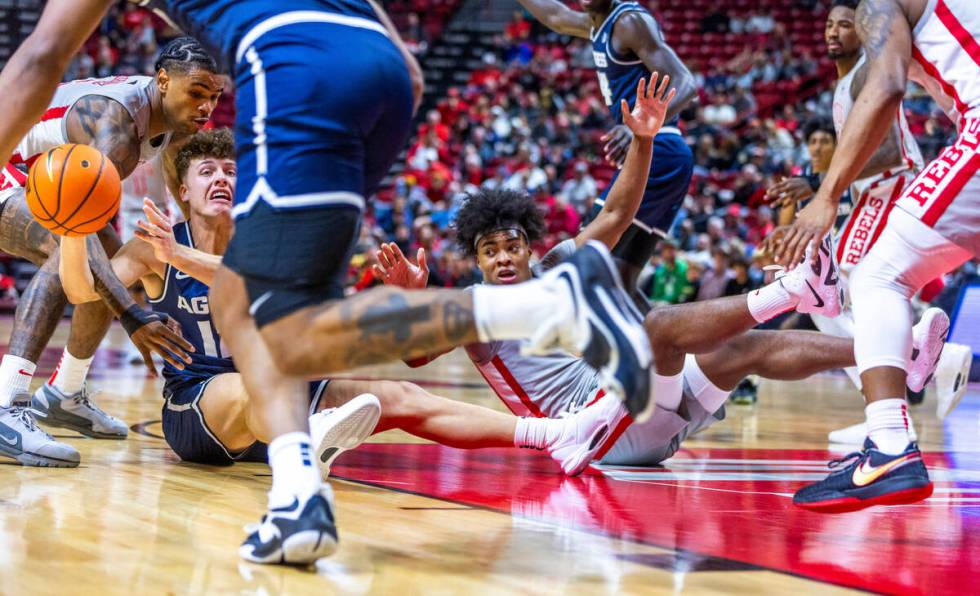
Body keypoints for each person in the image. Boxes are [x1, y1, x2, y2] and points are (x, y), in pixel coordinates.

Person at [0, 0, 654, 564]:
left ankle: (541, 304)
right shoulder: (142, 202)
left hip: (294, 69)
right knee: (262, 313)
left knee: (266, 317)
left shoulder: (160, 143)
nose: (218, 170)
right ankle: (297, 496)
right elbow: (411, 67)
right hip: (386, 76)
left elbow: (39, 58)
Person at [56, 129, 619, 482]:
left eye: (232, 171)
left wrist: (403, 296)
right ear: (183, 189)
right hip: (201, 412)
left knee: (399, 394)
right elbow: (82, 294)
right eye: (208, 171)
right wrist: (73, 230)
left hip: (285, 398)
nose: (222, 179)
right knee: (258, 389)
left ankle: (554, 434)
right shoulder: (151, 248)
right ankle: (308, 434)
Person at [375, 179, 948, 471]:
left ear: (530, 248)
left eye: (512, 246)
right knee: (660, 329)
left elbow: (618, 213)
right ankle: (795, 289)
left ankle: (895, 351)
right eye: (490, 251)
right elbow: (417, 359)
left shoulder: (554, 267)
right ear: (476, 261)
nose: (503, 259)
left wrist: (645, 138)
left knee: (748, 347)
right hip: (590, 436)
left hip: (632, 416)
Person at [772, 0, 979, 512]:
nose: (837, 26)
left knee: (875, 278)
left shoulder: (880, 5)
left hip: (902, 175)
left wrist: (824, 195)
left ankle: (888, 442)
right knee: (850, 286)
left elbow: (888, 87)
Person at [0, 37, 224, 468]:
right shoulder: (116, 127)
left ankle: (65, 392)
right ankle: (6, 401)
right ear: (162, 81)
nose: (206, 107)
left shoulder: (176, 122)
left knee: (113, 264)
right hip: (9, 163)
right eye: (197, 93)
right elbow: (75, 226)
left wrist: (201, 270)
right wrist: (133, 315)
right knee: (66, 247)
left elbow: (188, 208)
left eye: (214, 97)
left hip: (41, 176)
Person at [512, 0, 698, 310]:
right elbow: (557, 16)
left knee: (589, 247)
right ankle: (679, 349)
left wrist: (639, 125)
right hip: (664, 154)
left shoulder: (629, 22)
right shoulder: (597, 22)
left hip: (659, 148)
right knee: (621, 282)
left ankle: (520, 314)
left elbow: (686, 84)